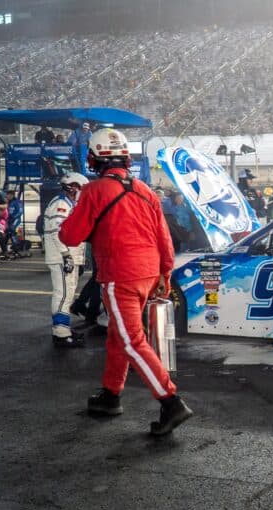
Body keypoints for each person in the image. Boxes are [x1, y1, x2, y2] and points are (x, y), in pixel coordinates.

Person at [59, 128, 193, 436]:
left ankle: (171, 401)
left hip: (120, 275)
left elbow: (70, 235)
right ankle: (110, 394)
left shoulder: (94, 190)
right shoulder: (145, 189)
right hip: (148, 274)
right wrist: (165, 275)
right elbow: (164, 237)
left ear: (95, 159)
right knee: (118, 337)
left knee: (131, 340)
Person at [44, 172, 89, 348]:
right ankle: (61, 334)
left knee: (67, 294)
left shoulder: (68, 203)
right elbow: (57, 231)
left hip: (67, 256)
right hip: (62, 257)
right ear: (73, 187)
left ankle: (64, 329)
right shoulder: (61, 204)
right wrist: (66, 255)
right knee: (63, 295)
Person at [5, 190, 23, 256]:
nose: (7, 196)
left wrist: (13, 218)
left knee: (13, 232)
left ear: (12, 195)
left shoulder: (17, 202)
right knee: (7, 233)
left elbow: (20, 212)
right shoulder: (8, 202)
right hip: (8, 220)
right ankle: (5, 249)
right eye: (7, 195)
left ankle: (16, 249)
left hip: (15, 220)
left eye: (9, 195)